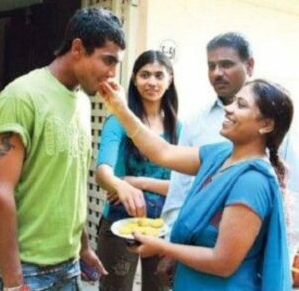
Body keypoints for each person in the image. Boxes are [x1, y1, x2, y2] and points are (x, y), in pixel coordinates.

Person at [97, 78, 293, 290]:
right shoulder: (220, 155)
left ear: (266, 125)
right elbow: (163, 152)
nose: (228, 108)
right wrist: (121, 108)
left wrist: (164, 248)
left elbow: (222, 262)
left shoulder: (252, 182)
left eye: (241, 105)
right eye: (234, 101)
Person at [0, 7, 125, 290]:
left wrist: (83, 248)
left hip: (68, 267)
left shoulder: (82, 101)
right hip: (27, 271)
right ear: (78, 48)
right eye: (108, 60)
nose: (112, 73)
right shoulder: (21, 97)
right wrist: (12, 281)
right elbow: (1, 192)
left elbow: (72, 183)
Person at [95, 50, 180, 291]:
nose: (152, 82)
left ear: (169, 79)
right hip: (120, 223)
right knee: (115, 287)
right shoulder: (117, 121)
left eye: (158, 75)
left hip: (163, 225)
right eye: (145, 75)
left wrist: (135, 182)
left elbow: (182, 186)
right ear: (134, 79)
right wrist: (118, 184)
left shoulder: (179, 128)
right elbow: (103, 172)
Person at [161, 32, 255, 233]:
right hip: (194, 244)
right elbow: (179, 189)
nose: (217, 73)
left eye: (226, 64)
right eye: (211, 66)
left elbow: (292, 194)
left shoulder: (269, 121)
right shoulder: (195, 122)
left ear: (249, 66)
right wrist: (173, 238)